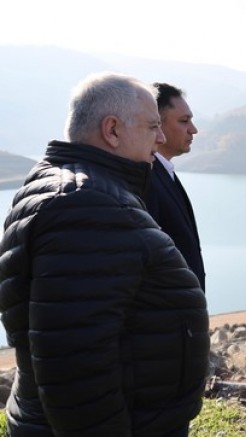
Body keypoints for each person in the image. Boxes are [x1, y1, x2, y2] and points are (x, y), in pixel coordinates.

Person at [0, 73, 210, 435]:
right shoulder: (85, 205)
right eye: (152, 127)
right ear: (112, 130)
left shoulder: (73, 189)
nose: (160, 138)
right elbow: (76, 364)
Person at [145, 82, 206, 291]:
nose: (193, 130)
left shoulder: (163, 172)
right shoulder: (147, 179)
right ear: (156, 124)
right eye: (184, 121)